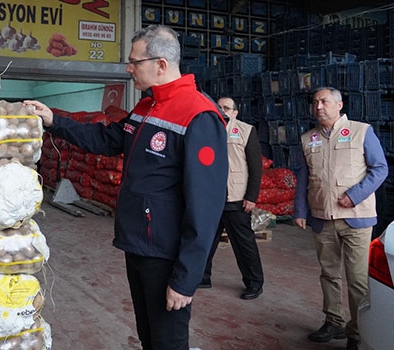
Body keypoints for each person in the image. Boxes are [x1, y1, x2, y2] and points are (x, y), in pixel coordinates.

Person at [25, 24, 228, 350]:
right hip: (139, 245)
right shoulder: (146, 108)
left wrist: (187, 278)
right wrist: (54, 121)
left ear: (160, 65)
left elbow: (206, 206)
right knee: (149, 336)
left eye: (135, 62)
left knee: (168, 341)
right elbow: (106, 139)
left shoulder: (199, 115)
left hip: (166, 254)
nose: (128, 68)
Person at [293, 87, 387, 350]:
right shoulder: (307, 139)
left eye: (324, 101)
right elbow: (303, 178)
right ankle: (333, 321)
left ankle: (357, 332)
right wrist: (300, 211)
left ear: (339, 104)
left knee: (357, 278)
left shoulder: (361, 131)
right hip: (322, 218)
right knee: (329, 274)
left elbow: (380, 168)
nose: (318, 107)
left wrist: (355, 195)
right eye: (315, 102)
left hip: (356, 218)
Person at [200, 97, 264, 300]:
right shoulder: (207, 130)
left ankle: (254, 283)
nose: (222, 110)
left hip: (236, 197)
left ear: (236, 112)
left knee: (244, 243)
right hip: (212, 197)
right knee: (205, 240)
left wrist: (251, 196)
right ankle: (202, 277)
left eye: (227, 108)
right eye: (218, 107)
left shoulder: (246, 131)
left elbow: (256, 167)